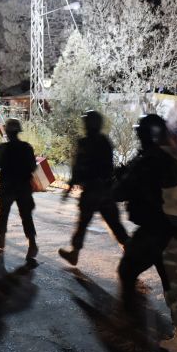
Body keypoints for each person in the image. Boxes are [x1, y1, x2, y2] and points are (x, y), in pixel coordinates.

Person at [112, 114, 177, 352]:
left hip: (154, 230)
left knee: (127, 271)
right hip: (174, 230)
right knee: (172, 283)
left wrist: (119, 177)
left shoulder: (147, 160)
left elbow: (119, 192)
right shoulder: (174, 157)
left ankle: (132, 326)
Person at [58, 110, 130, 266]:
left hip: (92, 191)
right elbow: (108, 168)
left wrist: (69, 189)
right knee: (115, 225)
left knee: (83, 224)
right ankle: (131, 254)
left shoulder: (84, 143)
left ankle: (74, 253)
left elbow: (77, 168)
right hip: (105, 191)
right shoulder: (105, 142)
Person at [0, 118, 38, 262]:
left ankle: (2, 239)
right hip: (23, 186)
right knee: (26, 216)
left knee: (3, 213)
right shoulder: (27, 147)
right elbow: (33, 167)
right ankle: (32, 245)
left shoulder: (4, 148)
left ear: (7, 132)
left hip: (8, 186)